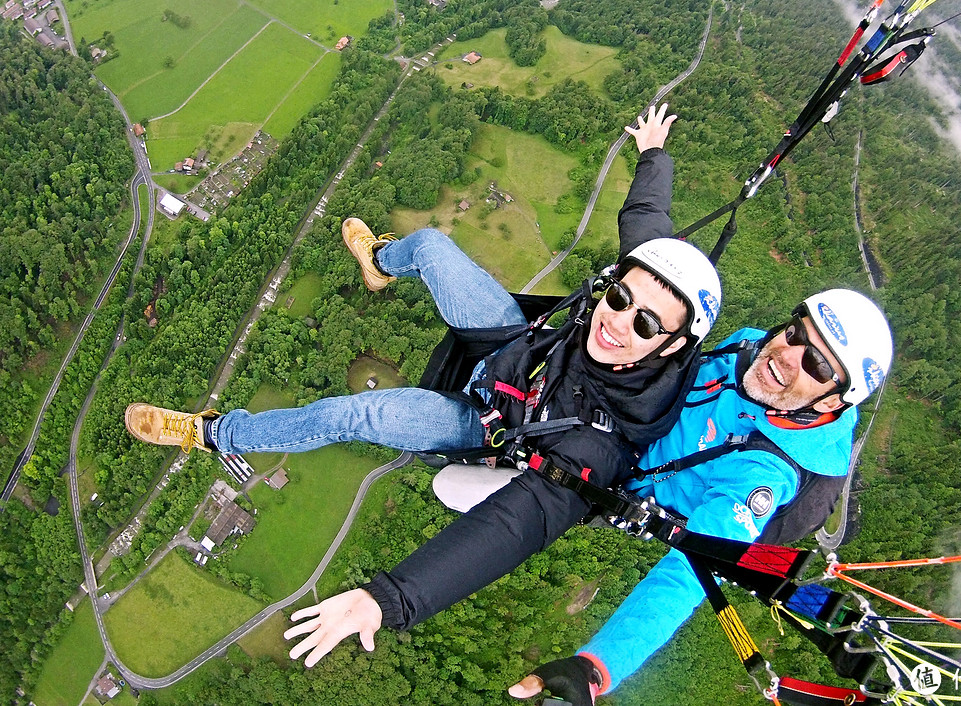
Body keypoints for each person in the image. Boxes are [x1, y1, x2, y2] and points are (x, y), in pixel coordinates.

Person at [123, 104, 724, 667]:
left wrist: (390, 599)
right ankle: (381, 263)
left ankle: (213, 433)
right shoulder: (641, 298)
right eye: (619, 296)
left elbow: (512, 529)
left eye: (644, 323)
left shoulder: (602, 444)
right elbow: (648, 222)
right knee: (432, 247)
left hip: (482, 422)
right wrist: (653, 154)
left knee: (355, 414)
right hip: (512, 346)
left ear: (673, 346)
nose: (617, 319)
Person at [509, 288, 893, 704]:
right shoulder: (751, 346)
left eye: (816, 365)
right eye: (797, 333)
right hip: (614, 416)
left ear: (835, 399)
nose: (789, 354)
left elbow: (690, 569)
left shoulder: (764, 472)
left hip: (610, 479)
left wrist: (597, 667)